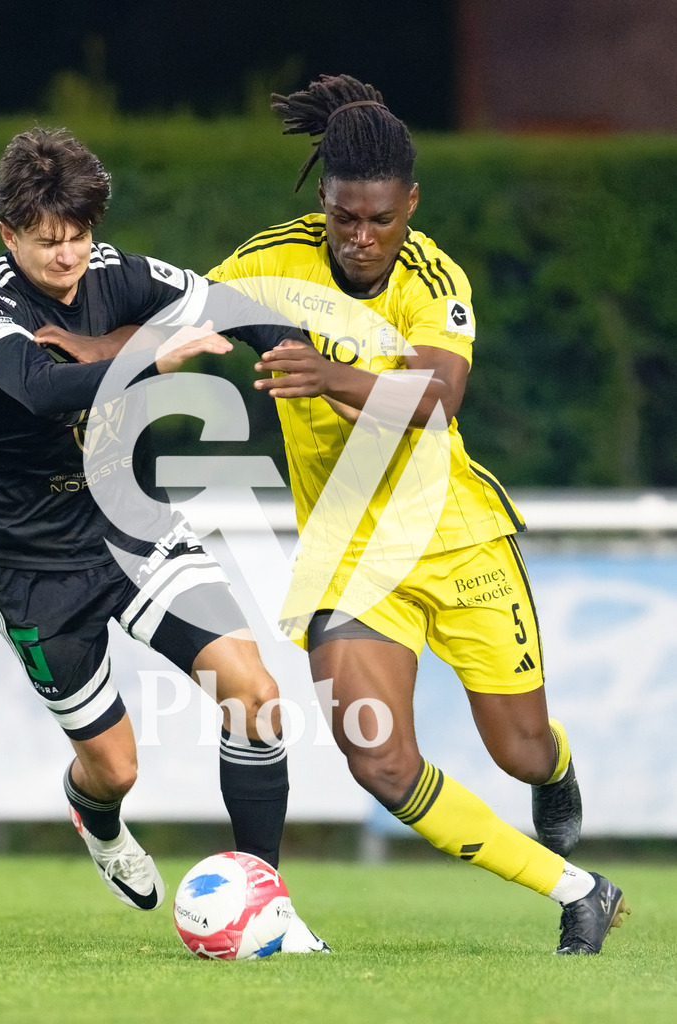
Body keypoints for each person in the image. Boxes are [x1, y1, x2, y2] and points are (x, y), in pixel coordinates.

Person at [204, 73, 631, 955]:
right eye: (344, 217)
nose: (362, 238)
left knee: (517, 748)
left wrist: (334, 376)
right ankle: (578, 891)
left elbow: (440, 393)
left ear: (412, 205)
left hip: (457, 538)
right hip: (349, 555)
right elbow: (176, 315)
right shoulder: (267, 262)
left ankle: (554, 769)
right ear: (322, 200)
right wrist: (91, 352)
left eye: (382, 220)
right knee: (380, 759)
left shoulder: (434, 276)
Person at [0, 126, 327, 953]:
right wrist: (154, 359)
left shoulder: (115, 272)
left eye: (79, 236)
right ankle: (96, 816)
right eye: (47, 242)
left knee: (257, 696)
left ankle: (271, 908)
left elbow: (228, 304)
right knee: (116, 768)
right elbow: (43, 390)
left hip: (132, 527)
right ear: (9, 235)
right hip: (30, 561)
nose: (68, 257)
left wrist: (307, 366)